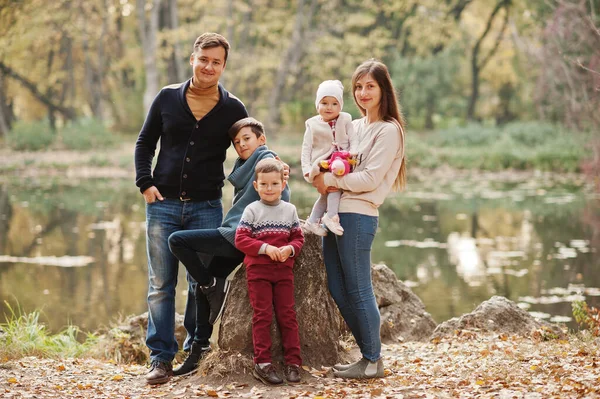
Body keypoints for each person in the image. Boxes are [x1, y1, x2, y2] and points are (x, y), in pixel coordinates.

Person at [134, 32, 248, 385]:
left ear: (224, 66)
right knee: (160, 283)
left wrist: (271, 164)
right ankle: (161, 359)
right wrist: (145, 183)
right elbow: (144, 143)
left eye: (216, 62)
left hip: (207, 209)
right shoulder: (167, 98)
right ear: (192, 59)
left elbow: (251, 147)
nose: (209, 66)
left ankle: (194, 352)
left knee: (199, 283)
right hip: (163, 206)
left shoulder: (233, 109)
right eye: (204, 59)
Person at [167, 117, 290, 376]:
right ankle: (199, 350)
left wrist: (271, 236)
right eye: (237, 142)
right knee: (203, 285)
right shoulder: (244, 167)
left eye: (247, 139)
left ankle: (212, 285)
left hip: (241, 236)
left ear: (261, 140)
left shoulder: (268, 161)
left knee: (177, 240)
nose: (242, 145)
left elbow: (281, 194)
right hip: (235, 234)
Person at [312, 59, 406, 379]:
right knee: (338, 288)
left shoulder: (389, 130)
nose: (363, 92)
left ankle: (372, 359)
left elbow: (368, 178)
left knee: (359, 288)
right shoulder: (355, 126)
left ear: (383, 90)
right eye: (358, 86)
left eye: (370, 86)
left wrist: (334, 182)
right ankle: (368, 354)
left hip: (359, 215)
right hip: (334, 213)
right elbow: (337, 162)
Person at [235, 159, 305, 386]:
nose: (269, 188)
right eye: (264, 184)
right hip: (258, 271)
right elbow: (241, 239)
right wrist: (266, 248)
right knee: (262, 315)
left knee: (287, 316)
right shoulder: (252, 210)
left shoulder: (290, 210)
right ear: (256, 185)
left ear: (283, 184)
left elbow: (298, 238)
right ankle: (262, 363)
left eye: (274, 184)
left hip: (284, 271)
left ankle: (293, 362)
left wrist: (289, 249)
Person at [301, 80, 357, 236]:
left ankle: (313, 221)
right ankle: (331, 216)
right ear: (317, 104)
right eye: (324, 103)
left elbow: (353, 138)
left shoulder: (345, 119)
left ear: (340, 106)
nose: (329, 107)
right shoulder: (312, 125)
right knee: (334, 187)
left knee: (327, 193)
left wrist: (353, 152)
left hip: (342, 160)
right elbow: (306, 149)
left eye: (334, 103)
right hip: (323, 163)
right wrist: (306, 169)